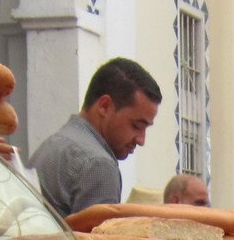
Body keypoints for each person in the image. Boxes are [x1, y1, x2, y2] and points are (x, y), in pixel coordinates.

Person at [28, 57, 161, 217]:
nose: (141, 140)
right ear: (104, 106)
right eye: (137, 126)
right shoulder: (98, 164)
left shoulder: (56, 143)